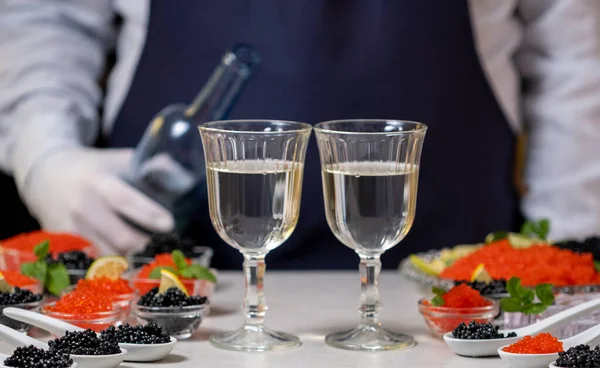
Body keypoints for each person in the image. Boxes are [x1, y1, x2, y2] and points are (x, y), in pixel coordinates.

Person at [0, 1, 599, 271]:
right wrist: (43, 150)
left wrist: (570, 249)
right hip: (172, 287)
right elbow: (46, 15)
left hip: (450, 286)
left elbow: (573, 42)